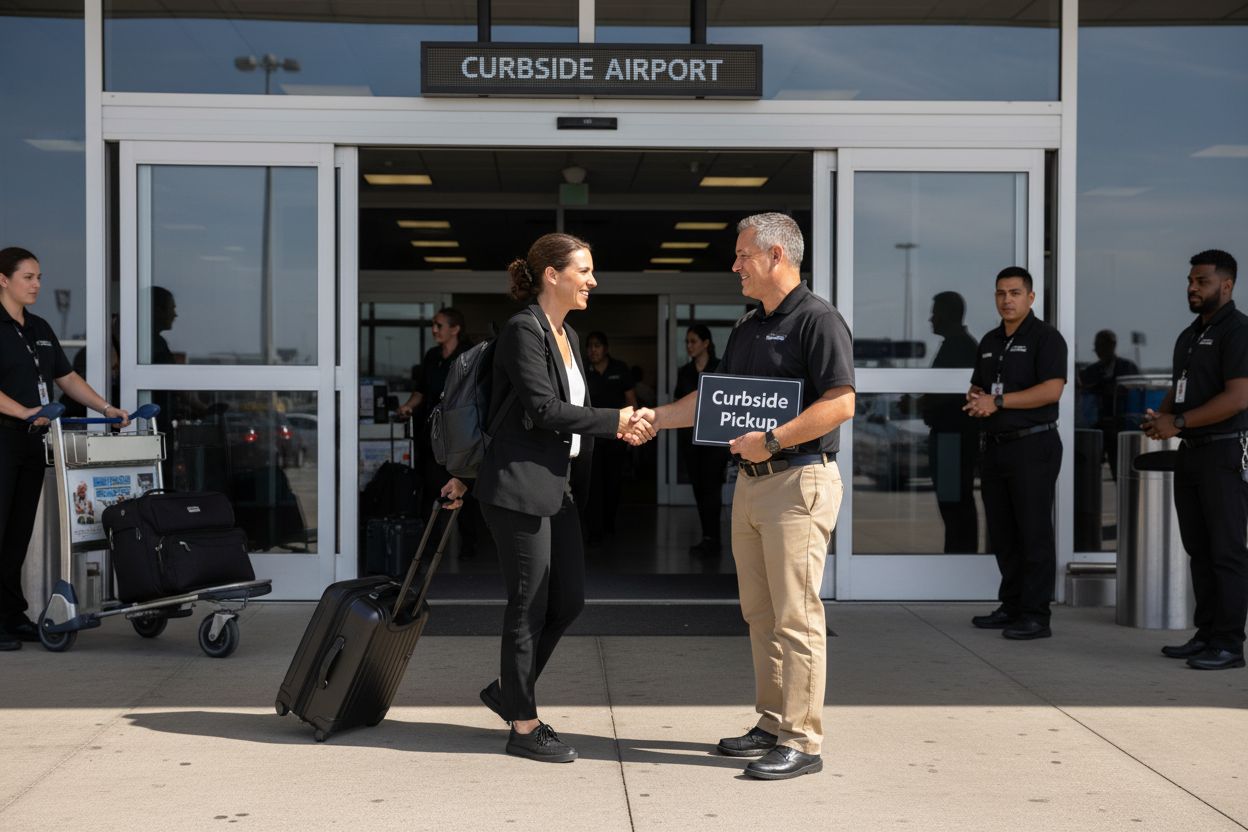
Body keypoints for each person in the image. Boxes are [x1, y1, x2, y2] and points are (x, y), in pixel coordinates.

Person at [630, 213, 855, 780]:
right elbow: (713, 401)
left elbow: (841, 404)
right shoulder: (751, 324)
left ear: (777, 256)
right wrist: (653, 418)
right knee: (760, 613)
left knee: (796, 615)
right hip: (753, 487)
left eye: (742, 256)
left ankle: (803, 741)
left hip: (798, 480)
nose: (735, 267)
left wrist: (773, 438)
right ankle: (774, 721)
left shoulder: (818, 320)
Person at [441, 233, 652, 762]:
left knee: (569, 600)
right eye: (584, 269)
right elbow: (542, 408)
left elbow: (560, 413)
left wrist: (616, 425)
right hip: (515, 486)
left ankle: (507, 690)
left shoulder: (568, 335)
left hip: (555, 486)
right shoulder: (522, 331)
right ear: (552, 275)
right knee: (528, 605)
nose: (593, 280)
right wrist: (617, 421)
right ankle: (523, 723)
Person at [0, 247, 130, 651]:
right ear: (3, 280)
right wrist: (24, 411)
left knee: (17, 533)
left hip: (32, 443)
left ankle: (9, 614)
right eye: (28, 277)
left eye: (39, 276)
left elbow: (67, 378)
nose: (37, 284)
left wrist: (106, 407)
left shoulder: (38, 327)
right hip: (3, 438)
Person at [1142, 249, 1248, 671]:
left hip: (1224, 451)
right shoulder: (1190, 334)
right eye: (1190, 280)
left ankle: (1229, 644)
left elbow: (1238, 397)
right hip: (1191, 453)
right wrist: (1162, 417)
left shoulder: (1237, 332)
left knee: (1227, 551)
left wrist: (1179, 421)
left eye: (1201, 281)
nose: (1192, 287)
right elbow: (1180, 388)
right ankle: (1206, 634)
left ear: (1227, 284)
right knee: (1199, 550)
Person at [964, 267, 1067, 640]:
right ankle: (1011, 605)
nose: (1007, 300)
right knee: (1004, 532)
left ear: (1031, 297)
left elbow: (1052, 391)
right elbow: (979, 384)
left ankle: (1036, 615)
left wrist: (999, 401)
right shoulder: (990, 340)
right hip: (995, 448)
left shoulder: (1047, 339)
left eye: (1015, 293)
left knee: (1033, 531)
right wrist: (976, 399)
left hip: (1033, 446)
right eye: (1000, 293)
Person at [396, 308, 478, 557]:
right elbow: (421, 390)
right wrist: (408, 406)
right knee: (431, 486)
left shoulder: (469, 355)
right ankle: (428, 546)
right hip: (433, 434)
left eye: (439, 325)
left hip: (460, 434)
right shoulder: (432, 356)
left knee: (463, 485)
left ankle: (470, 545)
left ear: (455, 329)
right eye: (433, 324)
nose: (434, 330)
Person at [916, 292, 980, 553]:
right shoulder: (955, 344)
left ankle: (959, 558)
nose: (931, 318)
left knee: (955, 504)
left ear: (950, 314)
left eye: (936, 312)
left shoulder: (960, 346)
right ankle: (957, 555)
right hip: (951, 437)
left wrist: (917, 403)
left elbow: (946, 396)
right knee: (954, 504)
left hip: (954, 438)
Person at [674, 324, 731, 557]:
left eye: (693, 341)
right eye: (687, 342)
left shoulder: (720, 367)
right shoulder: (685, 371)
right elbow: (679, 404)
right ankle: (707, 536)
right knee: (699, 489)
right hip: (690, 441)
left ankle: (712, 538)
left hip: (714, 441)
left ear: (706, 343)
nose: (689, 346)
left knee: (711, 489)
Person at [582, 331, 636, 543]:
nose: (592, 350)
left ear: (606, 348)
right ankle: (594, 531)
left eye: (597, 345)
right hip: (592, 436)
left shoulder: (620, 369)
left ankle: (609, 524)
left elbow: (631, 401)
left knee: (613, 482)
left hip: (617, 436)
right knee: (593, 484)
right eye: (589, 346)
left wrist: (634, 431)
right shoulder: (584, 369)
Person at [1077, 329, 1139, 479]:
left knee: (1122, 473)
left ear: (1112, 346)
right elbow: (1083, 393)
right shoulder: (1091, 371)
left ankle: (1127, 501)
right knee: (1087, 474)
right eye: (1097, 347)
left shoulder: (1127, 367)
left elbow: (1135, 392)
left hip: (1119, 427)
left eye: (1102, 346)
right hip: (1095, 427)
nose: (1099, 350)